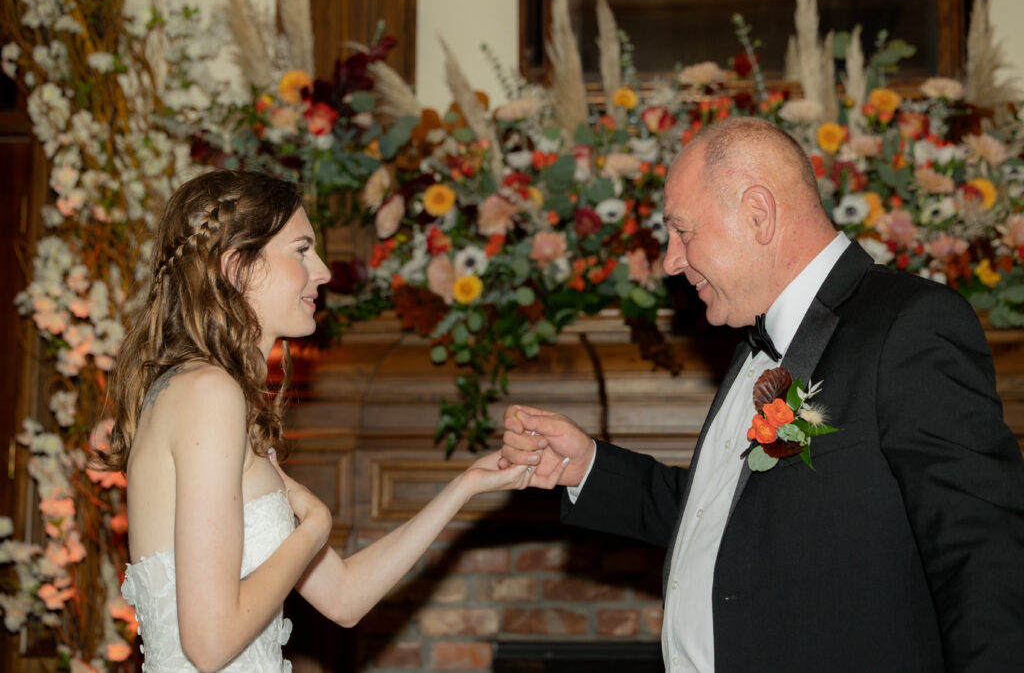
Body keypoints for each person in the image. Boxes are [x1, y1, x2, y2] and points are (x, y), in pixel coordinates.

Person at [500, 117, 1024, 672]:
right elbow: (733, 514)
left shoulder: (909, 325)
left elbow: (983, 559)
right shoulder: (756, 343)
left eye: (683, 231)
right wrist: (588, 467)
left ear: (758, 212)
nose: (671, 260)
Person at [102, 169, 537, 672]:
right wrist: (316, 527)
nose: (325, 271)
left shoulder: (209, 396)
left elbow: (345, 597)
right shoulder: (208, 393)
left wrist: (466, 486)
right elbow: (211, 642)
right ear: (238, 268)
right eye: (302, 250)